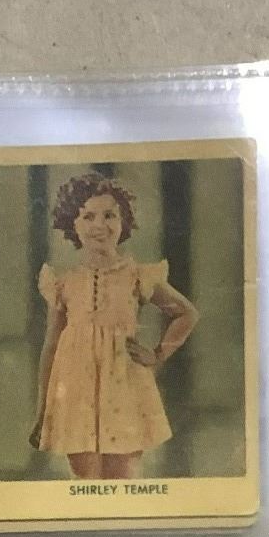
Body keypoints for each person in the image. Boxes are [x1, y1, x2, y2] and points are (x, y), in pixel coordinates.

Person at [30, 172, 199, 480]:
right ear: (72, 224)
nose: (100, 225)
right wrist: (43, 411)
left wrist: (158, 354)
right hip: (76, 391)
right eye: (88, 216)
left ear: (123, 222)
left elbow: (186, 314)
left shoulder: (136, 275)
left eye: (109, 215)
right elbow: (51, 345)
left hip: (124, 387)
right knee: (86, 480)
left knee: (123, 477)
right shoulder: (64, 282)